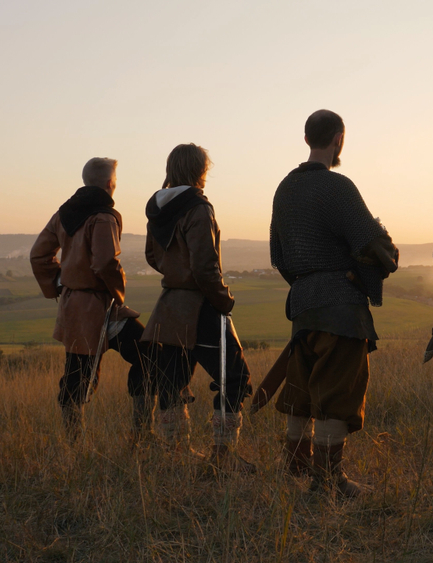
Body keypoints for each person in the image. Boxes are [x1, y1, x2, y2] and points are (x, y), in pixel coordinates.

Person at [268, 109, 398, 497]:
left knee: (303, 389)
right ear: (338, 139)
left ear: (308, 138)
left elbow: (280, 255)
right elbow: (374, 246)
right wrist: (386, 255)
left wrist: (307, 283)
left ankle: (295, 464)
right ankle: (327, 482)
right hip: (340, 306)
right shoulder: (337, 187)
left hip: (303, 304)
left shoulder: (284, 189)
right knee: (337, 394)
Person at [140, 143, 254, 471]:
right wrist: (223, 300)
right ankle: (224, 456)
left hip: (168, 308)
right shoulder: (198, 208)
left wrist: (175, 274)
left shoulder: (157, 210)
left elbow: (152, 256)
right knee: (235, 377)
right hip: (201, 307)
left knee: (172, 381)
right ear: (200, 170)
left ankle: (175, 452)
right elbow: (205, 267)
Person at [30, 157, 152, 442]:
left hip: (73, 307)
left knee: (77, 375)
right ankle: (141, 436)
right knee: (150, 358)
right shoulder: (104, 216)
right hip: (104, 308)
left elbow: (38, 255)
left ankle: (75, 445)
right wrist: (118, 295)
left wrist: (60, 283)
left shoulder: (63, 214)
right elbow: (106, 263)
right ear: (111, 183)